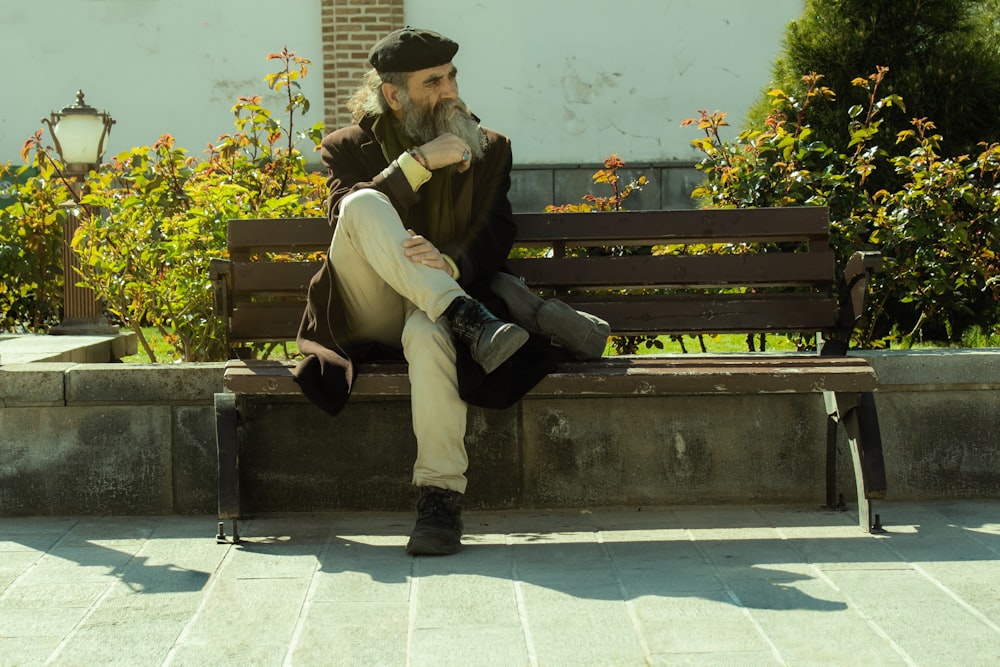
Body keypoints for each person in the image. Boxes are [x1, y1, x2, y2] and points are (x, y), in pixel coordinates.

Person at [292, 27, 608, 556]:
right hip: (368, 307)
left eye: (452, 76)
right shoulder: (347, 148)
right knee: (361, 205)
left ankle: (440, 500)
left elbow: (494, 230)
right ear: (394, 95)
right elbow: (341, 224)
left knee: (430, 334)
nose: (450, 90)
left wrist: (452, 261)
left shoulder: (490, 147)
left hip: (435, 305)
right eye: (432, 81)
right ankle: (475, 313)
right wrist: (418, 165)